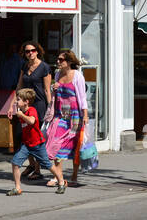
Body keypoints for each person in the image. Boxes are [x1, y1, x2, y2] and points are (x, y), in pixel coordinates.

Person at [7, 87, 65, 195]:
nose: (16, 101)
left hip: (37, 144)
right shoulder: (21, 111)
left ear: (26, 102)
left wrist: (22, 116)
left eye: (18, 99)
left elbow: (32, 121)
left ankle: (61, 182)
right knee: (15, 163)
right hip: (26, 144)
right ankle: (17, 188)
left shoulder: (31, 110)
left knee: (47, 164)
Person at [45, 50, 90, 187]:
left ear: (69, 62)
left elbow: (82, 97)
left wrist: (85, 115)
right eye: (57, 59)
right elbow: (55, 94)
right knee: (55, 142)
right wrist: (54, 88)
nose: (58, 62)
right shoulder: (58, 74)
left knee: (74, 146)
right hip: (60, 115)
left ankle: (74, 175)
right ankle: (58, 177)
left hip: (74, 116)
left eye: (61, 60)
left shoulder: (77, 76)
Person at [16, 42, 53, 180]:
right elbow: (19, 85)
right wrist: (13, 105)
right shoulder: (25, 66)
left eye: (32, 50)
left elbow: (47, 89)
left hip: (39, 105)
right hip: (25, 105)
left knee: (36, 137)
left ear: (38, 51)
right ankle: (31, 165)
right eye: (27, 51)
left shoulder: (44, 67)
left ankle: (37, 170)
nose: (30, 53)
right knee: (24, 135)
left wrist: (51, 108)